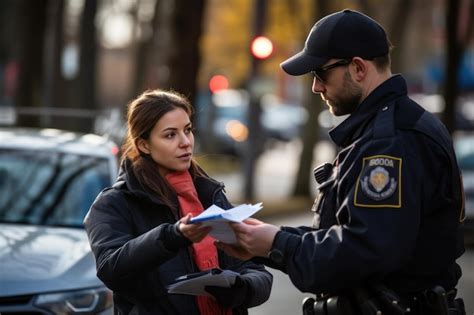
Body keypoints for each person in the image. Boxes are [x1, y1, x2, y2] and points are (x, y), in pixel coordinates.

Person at [217, 9, 466, 314]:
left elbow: (364, 251)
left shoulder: (389, 141)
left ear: (358, 68)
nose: (316, 87)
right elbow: (351, 233)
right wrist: (269, 241)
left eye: (320, 73)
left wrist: (277, 244)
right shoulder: (391, 127)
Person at [84, 89, 272, 315]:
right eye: (170, 135)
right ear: (144, 145)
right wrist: (172, 236)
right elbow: (111, 268)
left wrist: (241, 288)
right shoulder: (114, 203)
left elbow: (256, 270)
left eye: (188, 130)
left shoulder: (208, 193)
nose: (185, 142)